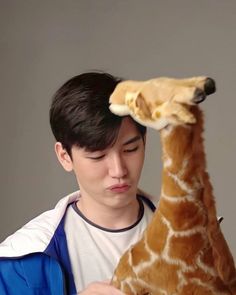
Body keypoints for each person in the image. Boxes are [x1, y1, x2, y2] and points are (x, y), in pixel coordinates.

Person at [0, 72, 156, 295]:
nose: (119, 170)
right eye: (98, 156)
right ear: (64, 156)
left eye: (130, 150)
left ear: (145, 142)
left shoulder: (196, 235)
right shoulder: (23, 258)